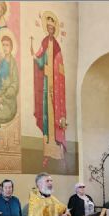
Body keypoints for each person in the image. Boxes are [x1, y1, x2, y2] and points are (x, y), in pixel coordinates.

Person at [31, 12, 67, 167]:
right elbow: (40, 59)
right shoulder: (45, 42)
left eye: (53, 28)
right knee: (46, 117)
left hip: (55, 87)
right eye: (48, 27)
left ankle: (57, 150)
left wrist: (54, 72)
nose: (50, 30)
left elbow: (61, 68)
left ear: (55, 29)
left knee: (55, 118)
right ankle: (47, 150)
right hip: (46, 85)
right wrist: (36, 58)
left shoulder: (57, 46)